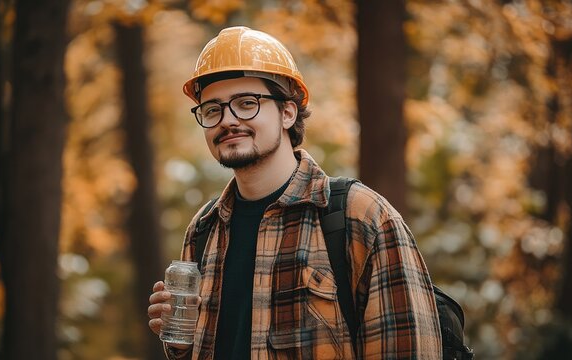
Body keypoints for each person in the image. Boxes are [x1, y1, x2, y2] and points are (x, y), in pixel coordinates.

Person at [148, 26, 442, 359]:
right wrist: (181, 344)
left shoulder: (361, 216)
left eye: (247, 103)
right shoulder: (204, 228)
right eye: (213, 109)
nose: (227, 120)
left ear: (288, 112)